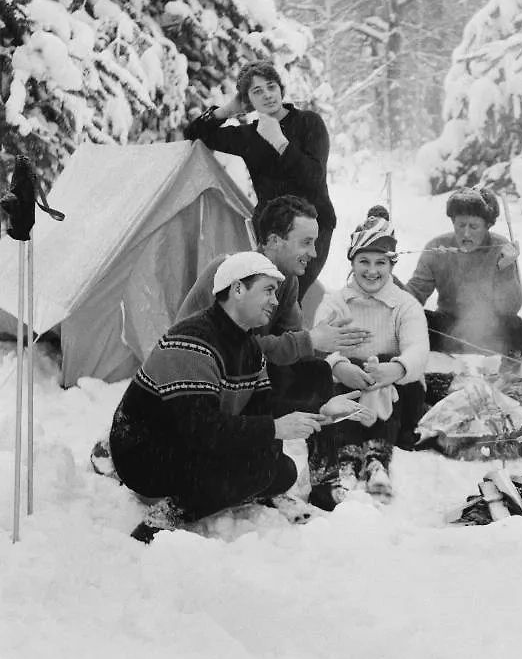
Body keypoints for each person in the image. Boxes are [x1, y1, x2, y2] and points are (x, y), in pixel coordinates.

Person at [109, 252, 330, 543]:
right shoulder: (192, 340)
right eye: (268, 290)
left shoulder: (249, 346)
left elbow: (263, 408)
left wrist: (321, 408)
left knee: (282, 471)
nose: (275, 301)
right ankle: (164, 517)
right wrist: (273, 429)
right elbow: (201, 430)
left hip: (189, 443)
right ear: (238, 289)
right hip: (145, 454)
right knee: (255, 470)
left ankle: (225, 491)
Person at [176, 195, 368, 414]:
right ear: (275, 241)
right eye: (306, 242)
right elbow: (233, 350)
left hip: (243, 376)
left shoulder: (287, 280)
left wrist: (334, 360)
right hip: (200, 383)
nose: (314, 253)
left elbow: (292, 340)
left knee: (317, 371)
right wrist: (310, 340)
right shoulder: (230, 272)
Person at [183, 60, 334, 300]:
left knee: (289, 297)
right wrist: (227, 110)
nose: (267, 95)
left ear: (281, 89)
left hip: (313, 227)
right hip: (271, 232)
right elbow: (193, 134)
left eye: (271, 86)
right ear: (248, 100)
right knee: (265, 298)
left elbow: (314, 178)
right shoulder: (249, 136)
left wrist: (281, 143)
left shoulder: (309, 122)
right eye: (257, 91)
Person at [310, 211, 430, 505]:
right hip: (347, 388)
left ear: (391, 265)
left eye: (381, 262)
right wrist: (340, 366)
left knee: (386, 373)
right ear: (352, 262)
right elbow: (320, 347)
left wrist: (395, 369)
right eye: (364, 261)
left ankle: (377, 459)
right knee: (337, 382)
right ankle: (348, 461)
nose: (372, 270)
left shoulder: (404, 305)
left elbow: (418, 349)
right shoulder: (336, 302)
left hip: (398, 396)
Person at [405, 187, 522, 362]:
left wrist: (506, 270)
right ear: (453, 222)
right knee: (416, 320)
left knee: (517, 327)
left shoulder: (501, 248)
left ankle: (508, 374)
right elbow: (415, 294)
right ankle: (425, 367)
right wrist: (393, 294)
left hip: (489, 330)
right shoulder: (437, 247)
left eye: (474, 226)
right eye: (461, 225)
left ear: (487, 226)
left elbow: (509, 309)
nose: (466, 233)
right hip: (448, 327)